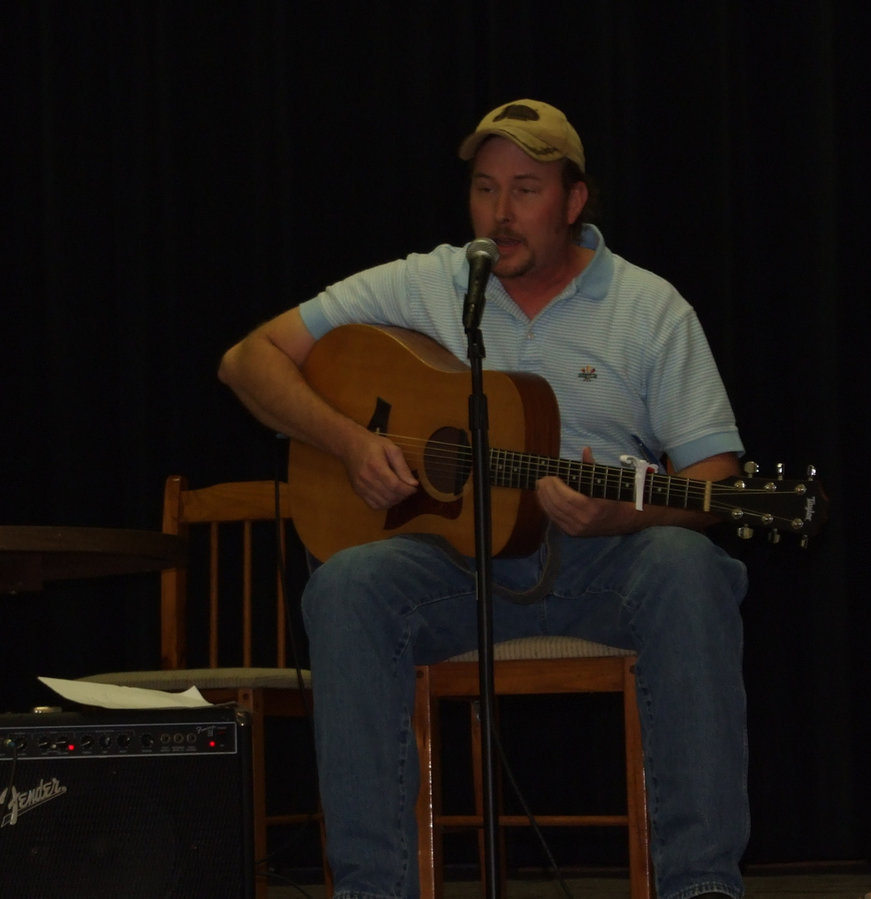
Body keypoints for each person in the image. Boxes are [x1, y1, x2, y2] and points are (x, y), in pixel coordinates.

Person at [218, 98, 749, 899]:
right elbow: (247, 359)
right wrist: (350, 442)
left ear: (574, 202)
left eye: (526, 189)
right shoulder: (431, 279)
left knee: (690, 566)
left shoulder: (649, 308)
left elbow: (717, 481)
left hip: (601, 561)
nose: (501, 214)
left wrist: (620, 512)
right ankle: (371, 890)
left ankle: (701, 887)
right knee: (347, 586)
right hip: (454, 568)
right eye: (484, 187)